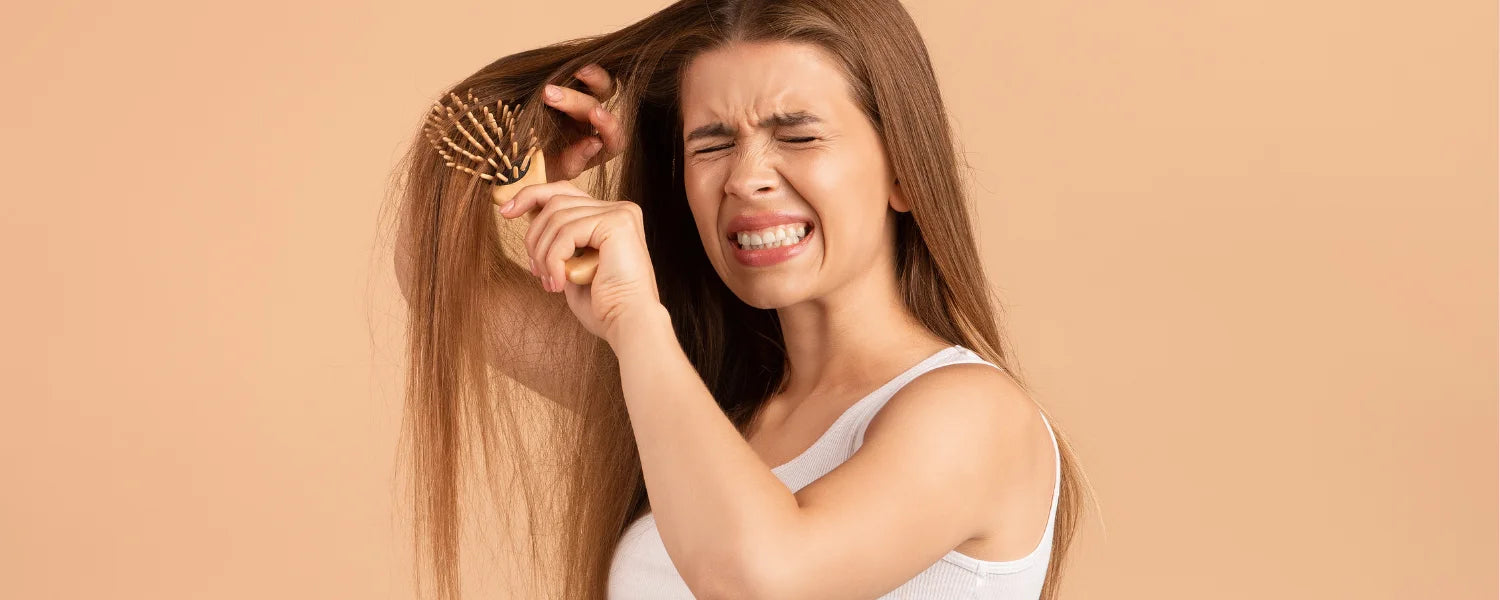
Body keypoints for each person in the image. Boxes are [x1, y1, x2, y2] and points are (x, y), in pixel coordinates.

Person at [390, 1, 1088, 598]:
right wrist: (526, 145)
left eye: (799, 135)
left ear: (904, 171)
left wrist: (635, 319)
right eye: (712, 144)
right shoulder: (703, 396)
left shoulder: (973, 414)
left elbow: (760, 580)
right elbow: (440, 278)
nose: (746, 179)